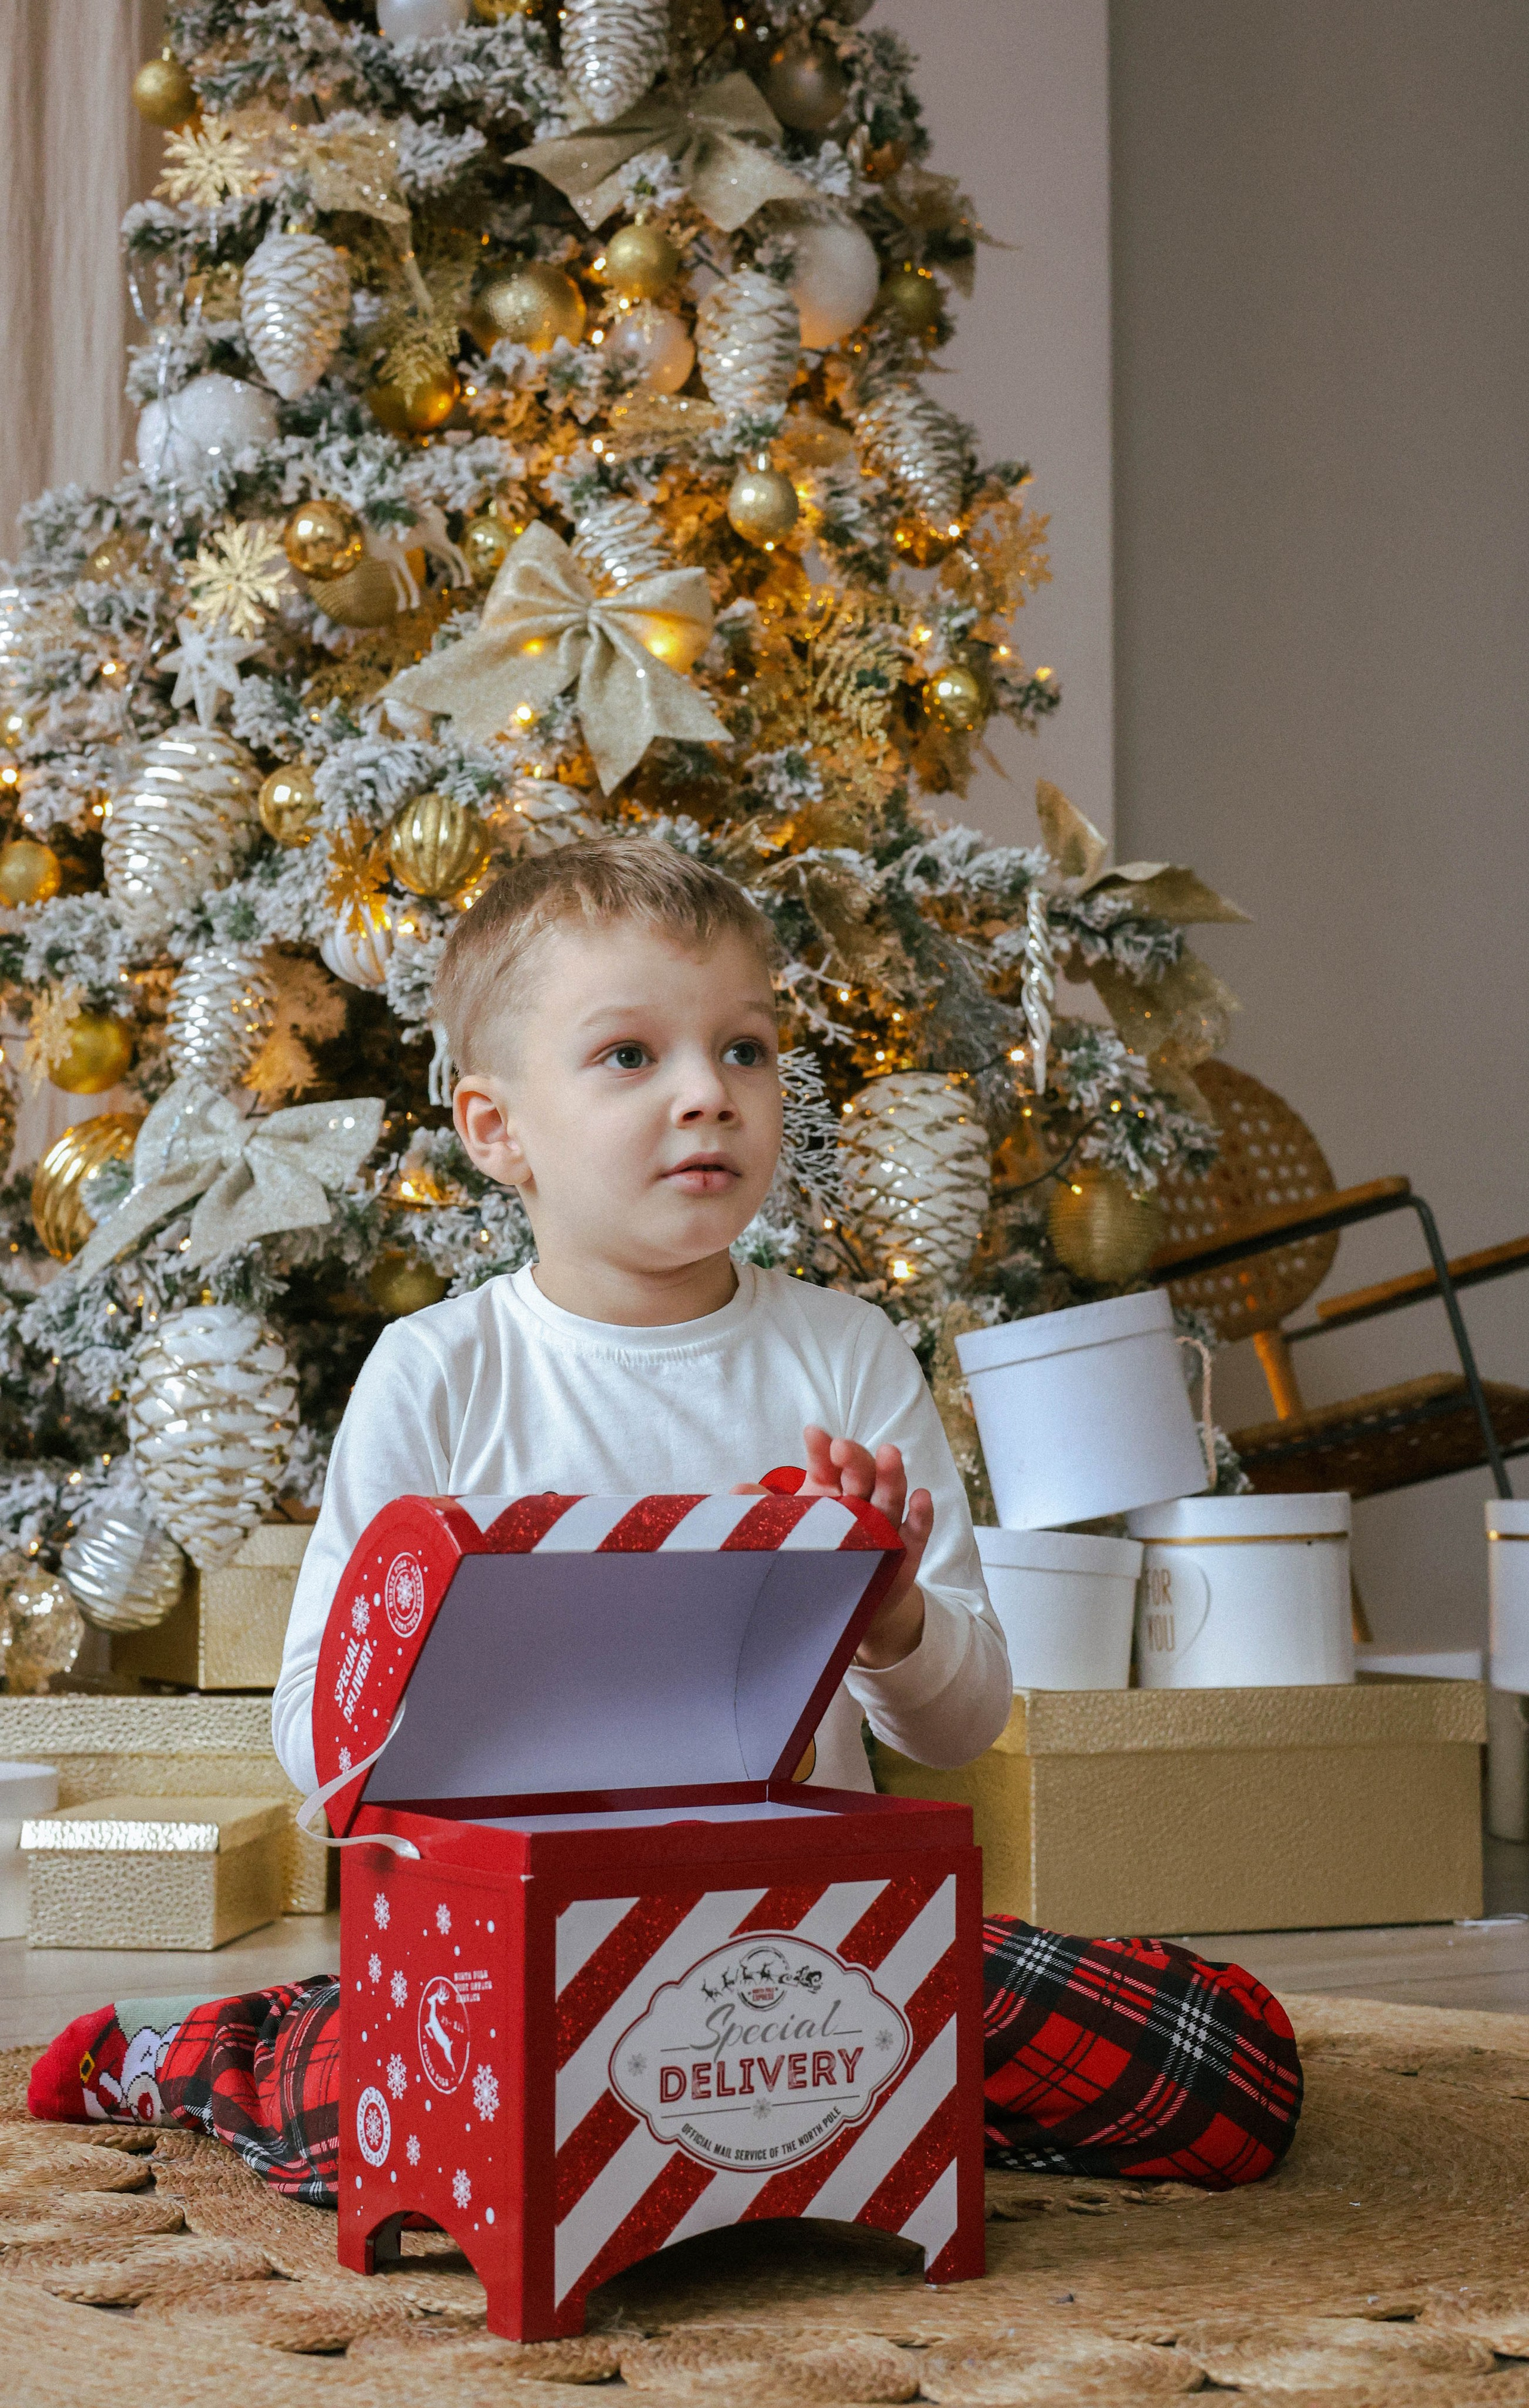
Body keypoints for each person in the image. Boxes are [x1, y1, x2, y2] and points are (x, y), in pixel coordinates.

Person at [27, 841, 1302, 2202]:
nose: (709, 1094)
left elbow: (961, 1724)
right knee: (420, 2121)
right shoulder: (440, 1375)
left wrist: (891, 1618)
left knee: (1217, 2078)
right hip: (514, 1957)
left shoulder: (844, 1357)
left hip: (811, 1952)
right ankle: (218, 2050)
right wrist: (449, 1652)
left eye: (744, 1050)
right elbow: (314, 1744)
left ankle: (817, 2117)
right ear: (495, 1128)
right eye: (630, 1056)